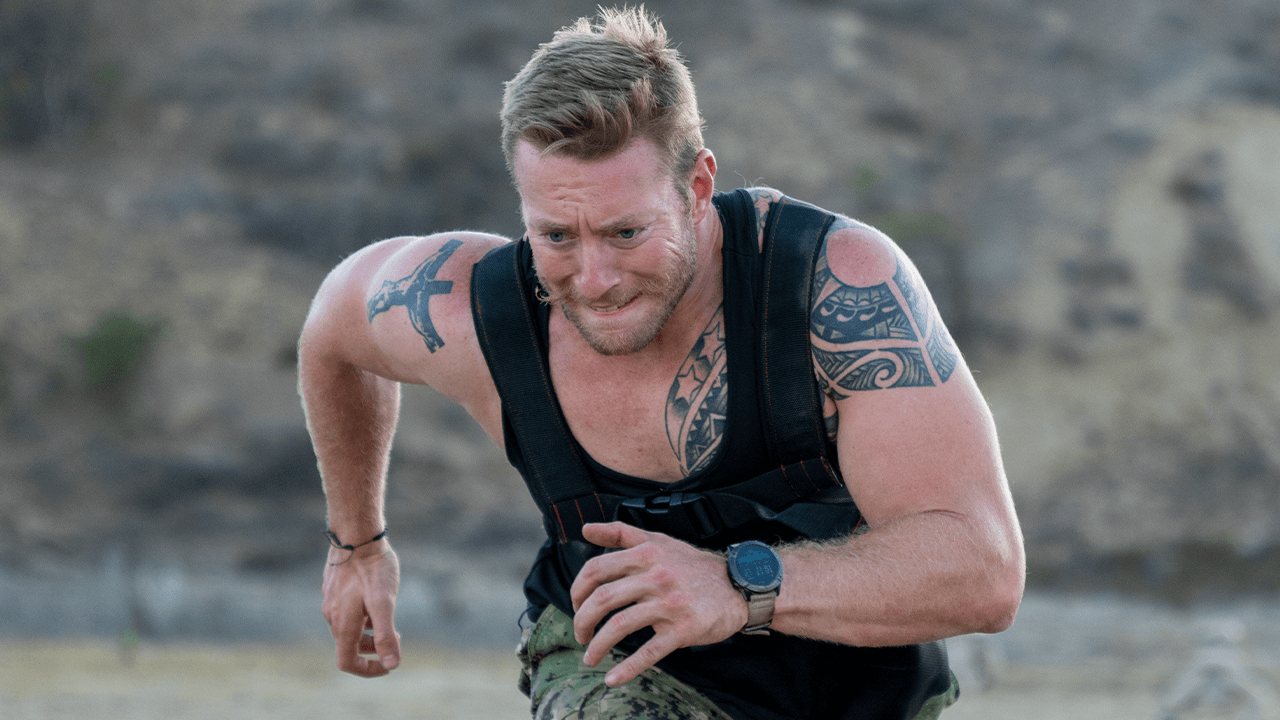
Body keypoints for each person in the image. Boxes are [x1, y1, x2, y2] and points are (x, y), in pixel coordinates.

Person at [298, 6, 1024, 719]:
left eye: (625, 233)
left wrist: (735, 586)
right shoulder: (465, 311)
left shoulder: (831, 287)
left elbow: (985, 572)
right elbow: (331, 335)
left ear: (697, 187)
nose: (594, 280)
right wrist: (356, 545)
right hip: (624, 670)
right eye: (556, 236)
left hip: (860, 680)